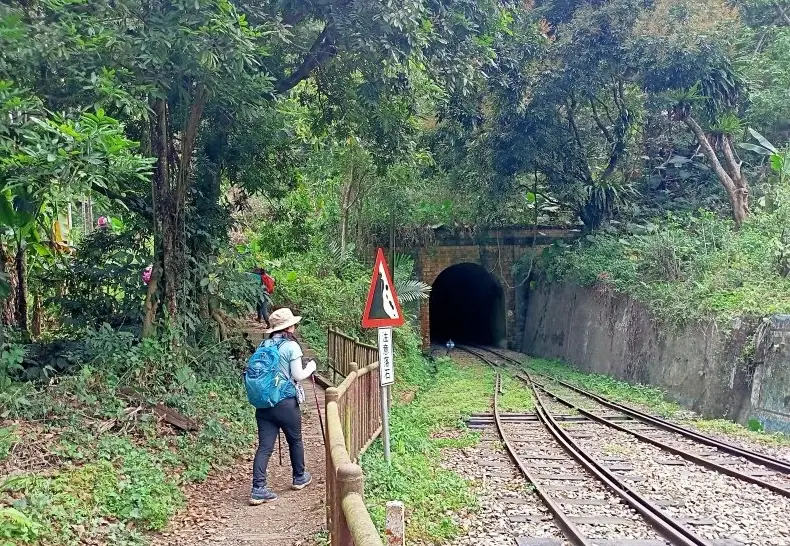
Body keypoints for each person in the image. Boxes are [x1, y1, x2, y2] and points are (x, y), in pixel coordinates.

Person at [250, 307, 316, 505]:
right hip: (285, 402)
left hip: (264, 403)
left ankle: (258, 488)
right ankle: (299, 477)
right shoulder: (291, 347)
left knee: (264, 447)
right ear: (289, 327)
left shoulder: (263, 344)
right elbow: (297, 375)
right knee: (295, 440)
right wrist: (311, 367)